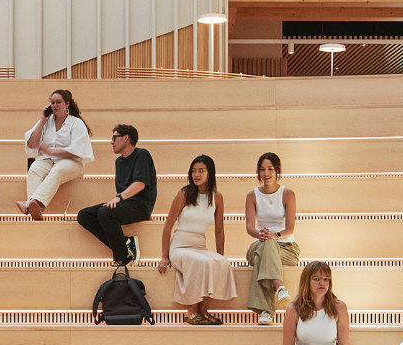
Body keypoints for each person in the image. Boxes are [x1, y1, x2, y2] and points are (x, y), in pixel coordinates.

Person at [155, 155, 237, 324]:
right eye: (193, 171)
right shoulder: (184, 194)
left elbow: (219, 230)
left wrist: (219, 257)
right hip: (180, 247)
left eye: (201, 171)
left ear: (210, 173)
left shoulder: (217, 197)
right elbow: (168, 226)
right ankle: (191, 310)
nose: (196, 175)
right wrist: (164, 256)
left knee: (222, 263)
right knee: (201, 262)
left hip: (200, 246)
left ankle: (203, 309)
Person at [76, 124, 157, 266]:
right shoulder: (119, 162)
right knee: (84, 215)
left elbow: (140, 184)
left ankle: (122, 257)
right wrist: (119, 200)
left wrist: (119, 197)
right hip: (125, 204)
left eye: (114, 137)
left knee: (105, 213)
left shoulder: (141, 154)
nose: (111, 141)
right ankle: (125, 242)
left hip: (140, 205)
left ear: (125, 138)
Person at [18, 89, 94, 220]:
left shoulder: (76, 123)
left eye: (59, 102)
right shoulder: (46, 121)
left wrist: (52, 151)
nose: (55, 105)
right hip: (48, 160)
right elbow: (31, 144)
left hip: (72, 162)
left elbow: (75, 151)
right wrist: (42, 121)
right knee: (34, 170)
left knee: (57, 170)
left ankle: (32, 203)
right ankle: (35, 209)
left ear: (67, 104)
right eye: (52, 102)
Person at [242, 152, 298, 325]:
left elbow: (290, 228)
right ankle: (279, 287)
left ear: (277, 170)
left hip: (287, 248)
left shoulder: (287, 194)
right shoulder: (252, 196)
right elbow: (250, 227)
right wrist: (259, 234)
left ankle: (266, 312)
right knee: (265, 246)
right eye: (262, 169)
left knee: (265, 253)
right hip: (258, 244)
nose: (266, 173)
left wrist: (275, 235)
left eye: (270, 169)